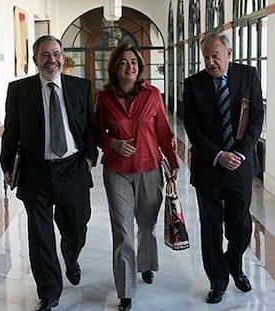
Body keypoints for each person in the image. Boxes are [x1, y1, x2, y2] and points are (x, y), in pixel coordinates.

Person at [0, 35, 98, 311]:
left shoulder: (80, 87)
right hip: (35, 172)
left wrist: (89, 158)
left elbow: (90, 126)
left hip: (72, 168)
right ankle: (49, 292)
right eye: (45, 55)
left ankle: (71, 254)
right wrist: (7, 166)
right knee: (40, 236)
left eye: (56, 54)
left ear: (63, 57)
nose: (51, 60)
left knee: (77, 226)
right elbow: (12, 130)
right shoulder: (19, 90)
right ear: (35, 60)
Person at [95, 43, 179, 311]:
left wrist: (173, 162)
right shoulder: (104, 99)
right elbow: (95, 132)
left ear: (140, 68)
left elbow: (164, 131)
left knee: (146, 225)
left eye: (133, 62)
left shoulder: (153, 94)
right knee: (123, 232)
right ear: (115, 68)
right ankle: (126, 291)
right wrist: (111, 143)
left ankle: (146, 264)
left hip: (149, 168)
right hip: (117, 171)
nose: (129, 67)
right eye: (123, 62)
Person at [183, 32, 264, 304]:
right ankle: (217, 281)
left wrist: (239, 154)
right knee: (210, 226)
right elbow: (192, 128)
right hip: (209, 167)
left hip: (240, 166)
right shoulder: (193, 84)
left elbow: (256, 118)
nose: (210, 62)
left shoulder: (248, 76)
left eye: (215, 56)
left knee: (240, 225)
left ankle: (234, 262)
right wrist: (218, 155)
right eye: (205, 57)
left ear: (228, 54)